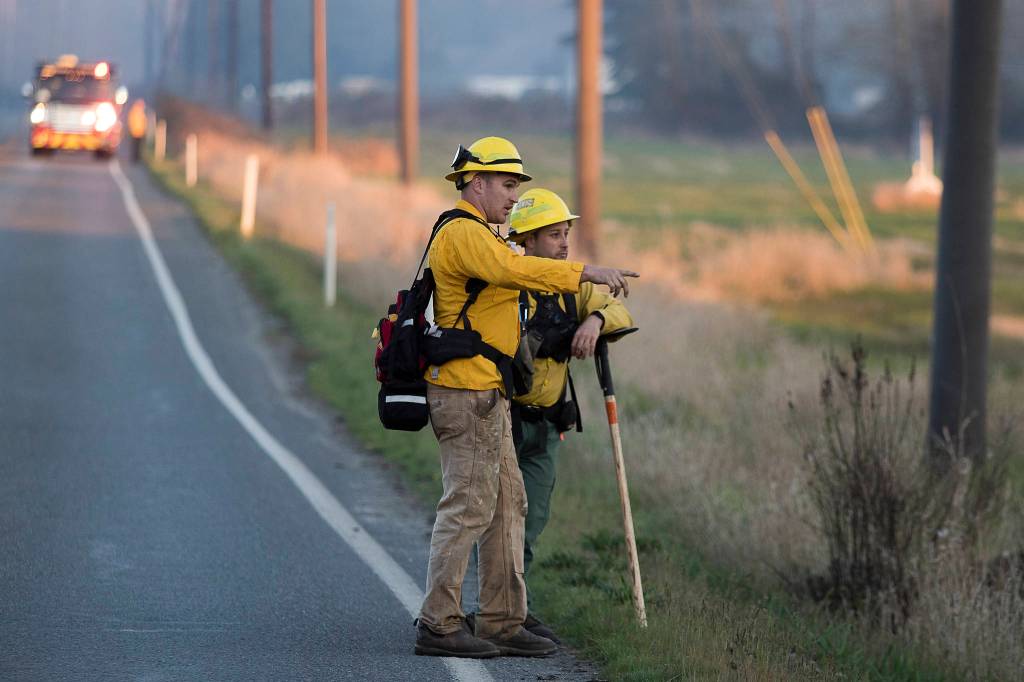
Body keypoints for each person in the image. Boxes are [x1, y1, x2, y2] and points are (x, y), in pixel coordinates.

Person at [415, 137, 638, 659]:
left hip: (487, 393)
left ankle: (500, 619)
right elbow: (514, 271)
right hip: (463, 390)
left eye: (517, 186)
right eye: (508, 184)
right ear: (476, 182)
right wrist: (584, 270)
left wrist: (594, 304)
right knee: (468, 506)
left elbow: (516, 268)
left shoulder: (484, 236)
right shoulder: (462, 231)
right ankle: (439, 623)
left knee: (508, 504)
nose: (514, 196)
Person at [503, 188, 635, 644]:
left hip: (546, 426)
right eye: (554, 235)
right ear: (528, 240)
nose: (564, 243)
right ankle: (493, 613)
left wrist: (594, 321)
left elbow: (618, 308)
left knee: (531, 520)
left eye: (566, 234)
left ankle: (514, 611)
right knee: (499, 518)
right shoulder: (506, 283)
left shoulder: (571, 286)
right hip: (503, 420)